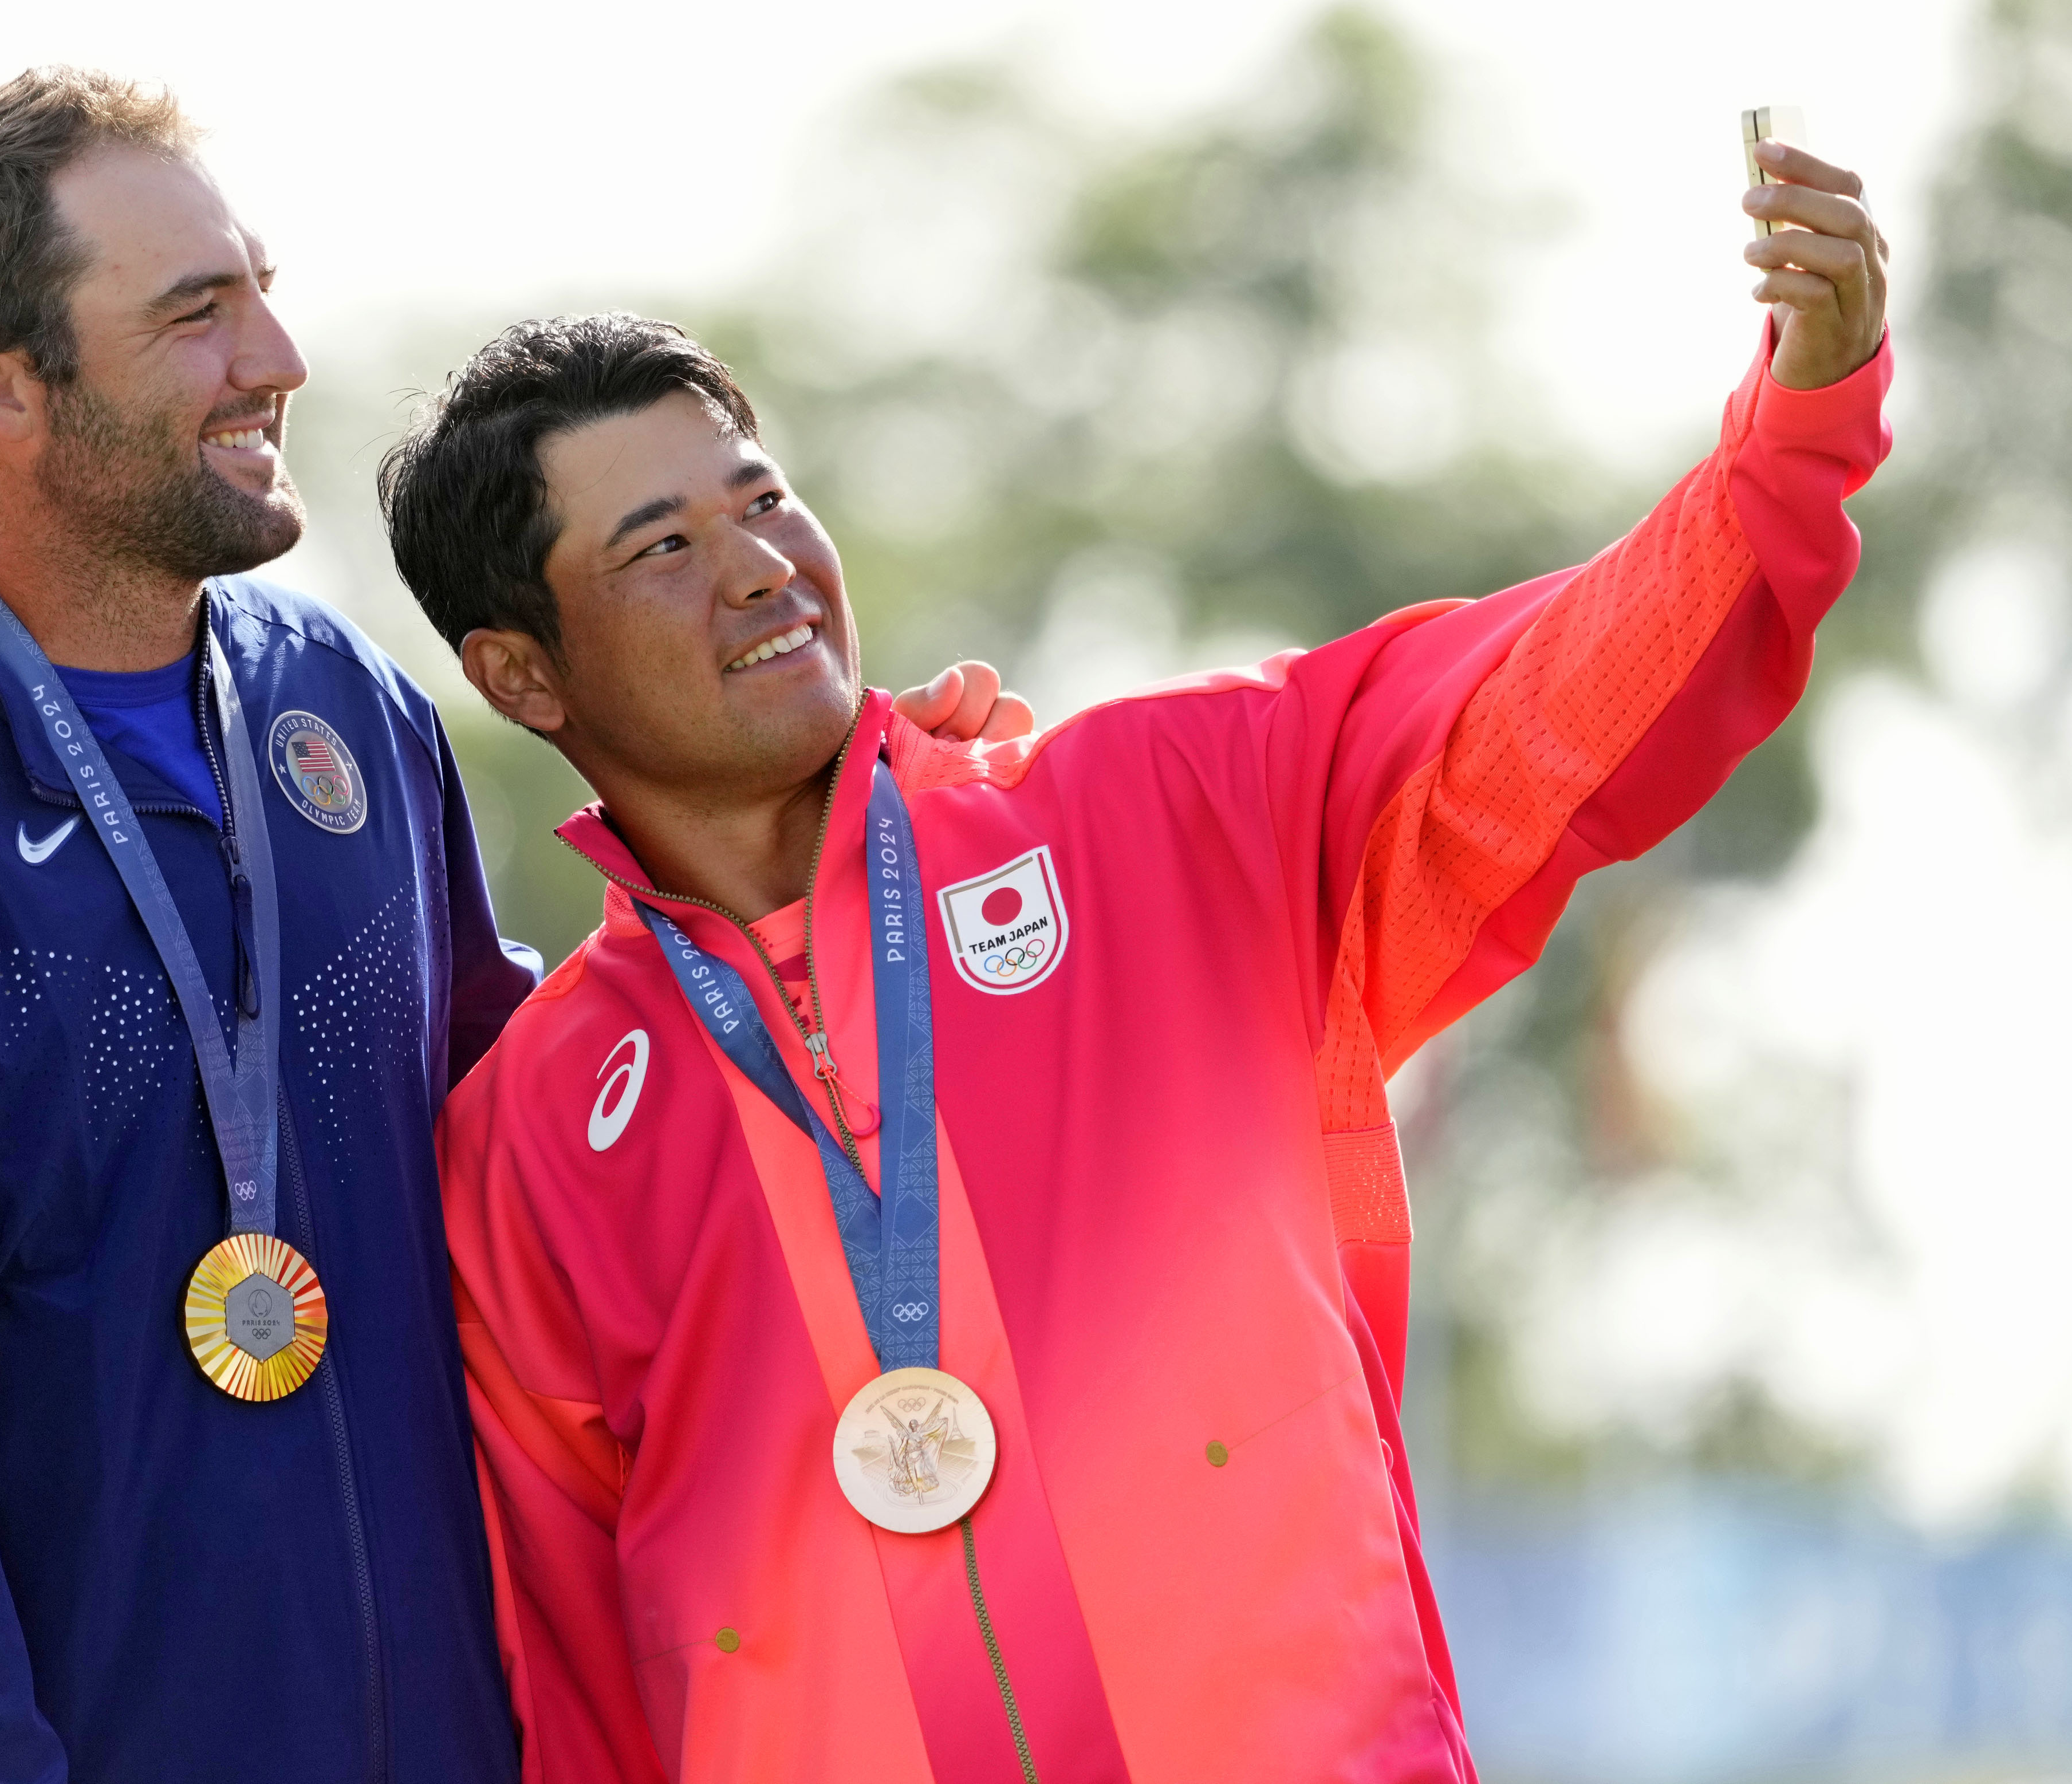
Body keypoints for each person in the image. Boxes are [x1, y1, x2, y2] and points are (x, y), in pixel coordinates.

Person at [375, 145, 1894, 1781]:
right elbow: (571, 1680)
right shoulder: (534, 1131)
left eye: (761, 500)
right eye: (660, 548)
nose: (758, 565)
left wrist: (1792, 435)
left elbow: (1547, 706)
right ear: (521, 676)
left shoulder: (1160, 813)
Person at [0, 66, 1025, 1783]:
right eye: (197, 314)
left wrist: (858, 844)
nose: (278, 357)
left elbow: (556, 1163)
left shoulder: (345, 705)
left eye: (260, 290)